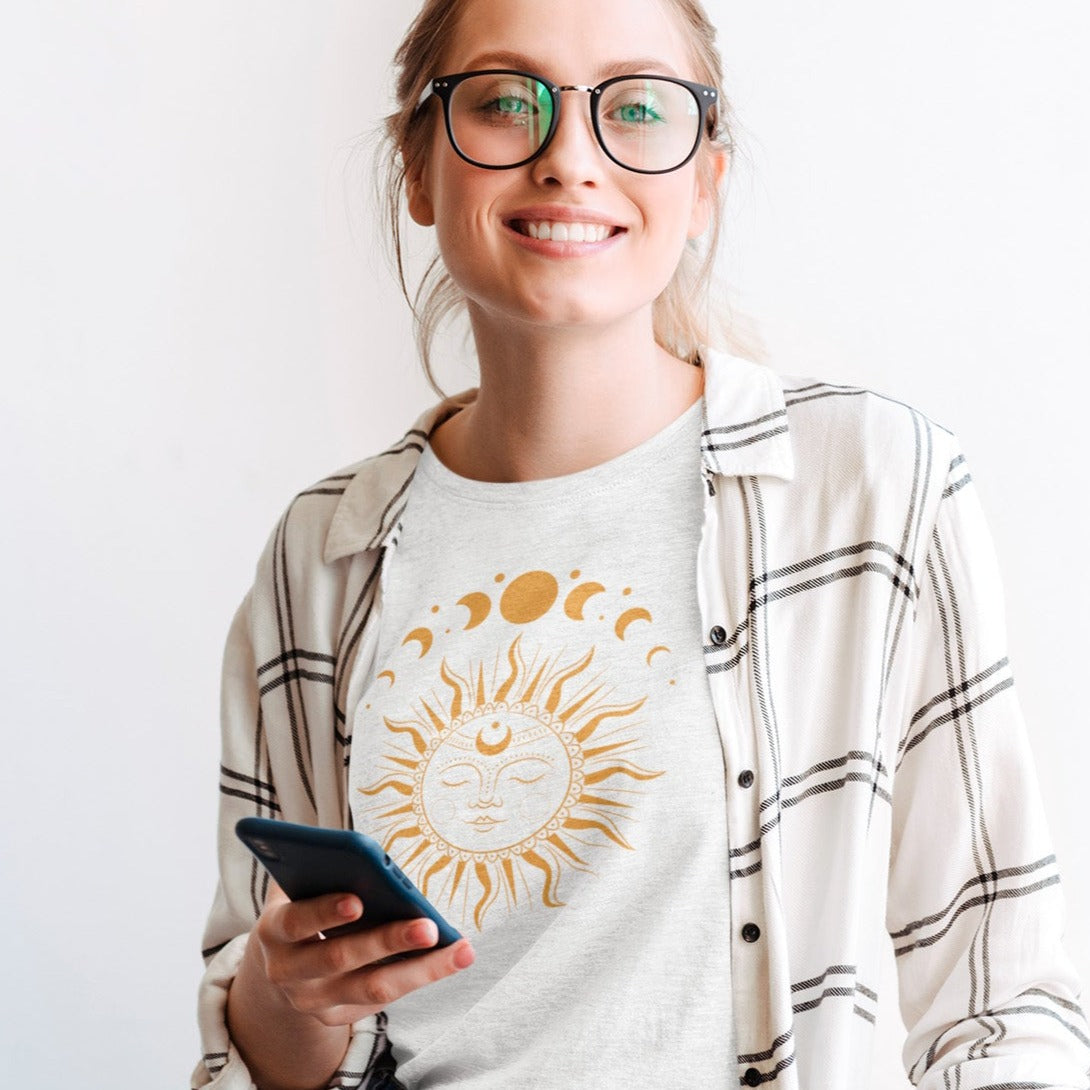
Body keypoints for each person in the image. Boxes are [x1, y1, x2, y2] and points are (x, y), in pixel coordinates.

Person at [193, 0, 1090, 1087]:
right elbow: (257, 1056)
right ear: (420, 169)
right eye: (502, 102)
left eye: (638, 108)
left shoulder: (868, 486)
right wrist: (286, 992)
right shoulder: (323, 554)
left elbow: (1001, 1005)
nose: (569, 158)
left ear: (704, 178)